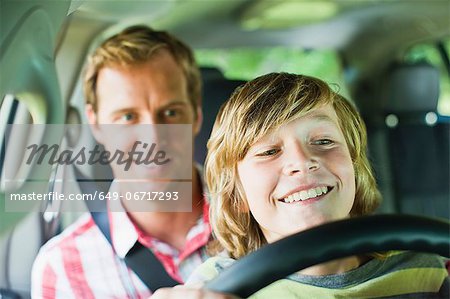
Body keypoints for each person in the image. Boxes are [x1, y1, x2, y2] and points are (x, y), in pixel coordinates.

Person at [153, 72, 449, 298]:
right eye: (269, 152)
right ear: (238, 192)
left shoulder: (423, 265)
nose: (302, 162)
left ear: (355, 169)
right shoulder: (215, 287)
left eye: (323, 141)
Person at [31, 25, 212, 298]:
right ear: (96, 123)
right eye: (127, 117)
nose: (153, 139)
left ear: (196, 115)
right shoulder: (64, 268)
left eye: (171, 112)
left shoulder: (264, 219)